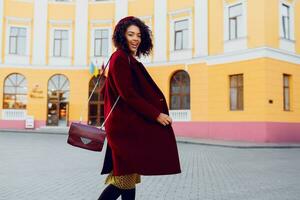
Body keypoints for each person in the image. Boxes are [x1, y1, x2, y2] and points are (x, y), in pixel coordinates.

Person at [98, 16, 181, 200]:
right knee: (122, 180)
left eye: (138, 35)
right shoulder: (120, 58)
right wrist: (156, 114)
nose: (136, 38)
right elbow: (128, 94)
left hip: (127, 129)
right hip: (123, 131)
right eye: (131, 34)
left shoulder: (126, 58)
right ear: (122, 36)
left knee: (128, 177)